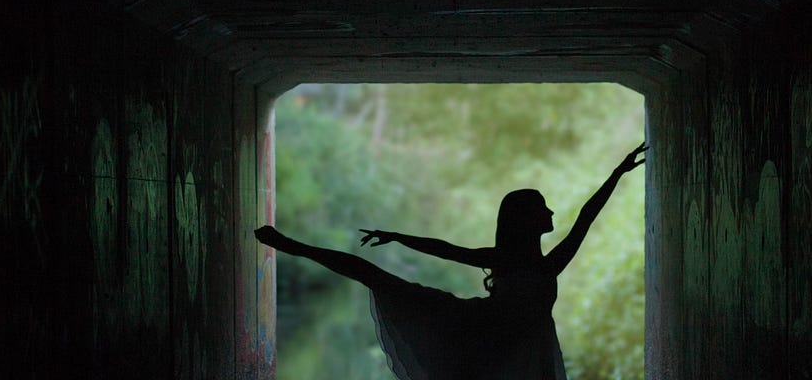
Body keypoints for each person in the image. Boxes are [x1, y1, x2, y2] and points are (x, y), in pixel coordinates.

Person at [254, 143, 648, 380]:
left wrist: (618, 171)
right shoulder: (525, 262)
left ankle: (291, 244)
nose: (552, 213)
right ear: (526, 219)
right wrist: (397, 236)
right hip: (482, 333)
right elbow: (443, 248)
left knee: (375, 277)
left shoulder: (537, 262)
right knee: (375, 276)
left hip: (511, 348)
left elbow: (588, 213)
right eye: (543, 208)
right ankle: (290, 244)